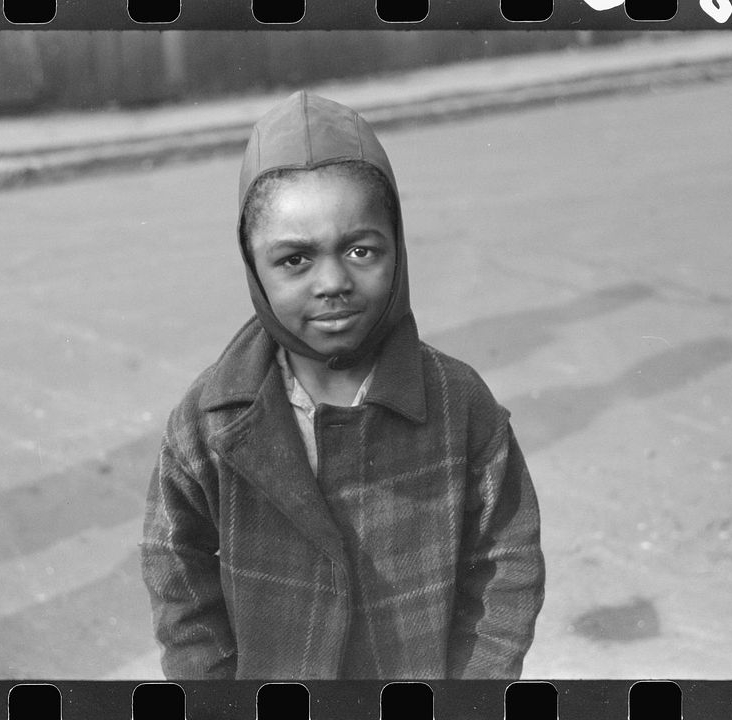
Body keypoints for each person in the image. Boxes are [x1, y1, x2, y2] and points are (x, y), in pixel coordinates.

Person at [140, 91, 545, 680]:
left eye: (361, 250)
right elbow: (176, 568)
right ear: (253, 267)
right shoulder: (210, 418)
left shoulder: (460, 404)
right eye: (294, 260)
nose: (332, 282)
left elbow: (507, 565)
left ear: (397, 248)